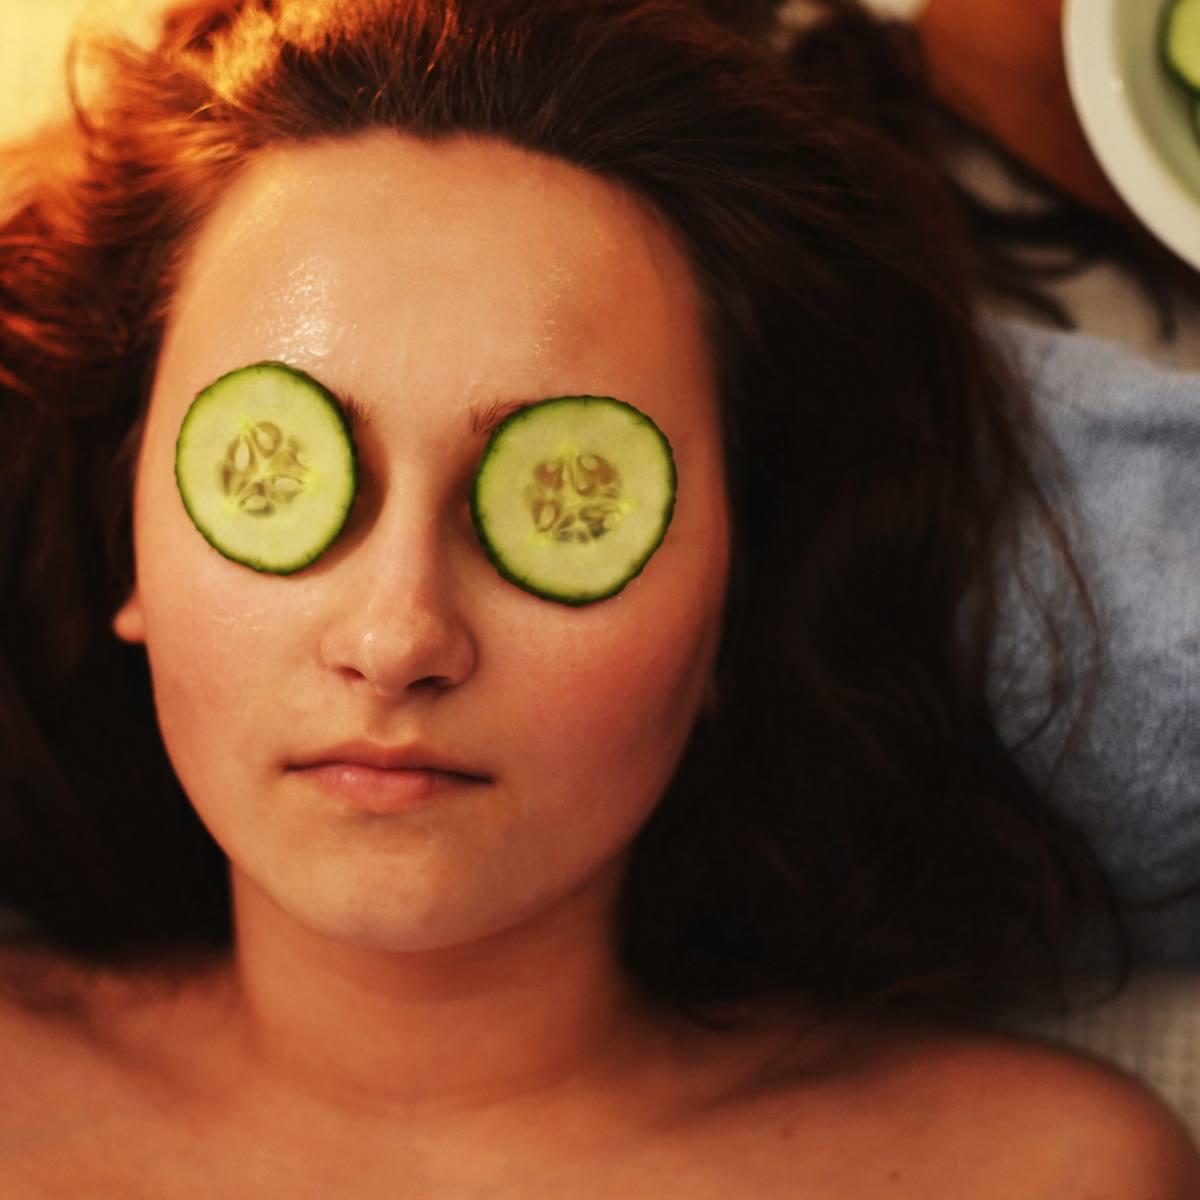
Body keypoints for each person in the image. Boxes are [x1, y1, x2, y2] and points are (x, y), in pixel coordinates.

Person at [0, 0, 1197, 1194]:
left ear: (736, 584)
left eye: (568, 500)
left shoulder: (1037, 1175)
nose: (398, 635)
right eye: (275, 480)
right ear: (129, 540)